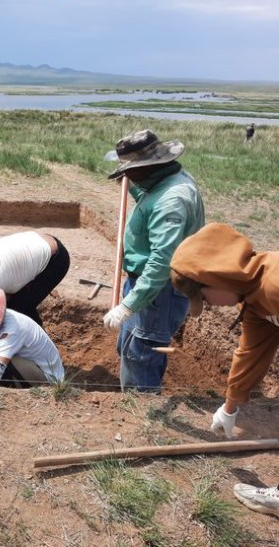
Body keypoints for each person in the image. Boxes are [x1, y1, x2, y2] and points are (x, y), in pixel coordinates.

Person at [170, 223, 278, 518]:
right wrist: (229, 407)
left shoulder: (275, 283)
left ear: (216, 280)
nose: (209, 306)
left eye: (204, 298)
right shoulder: (256, 300)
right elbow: (250, 354)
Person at [102, 129, 205, 392]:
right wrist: (137, 190)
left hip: (160, 292)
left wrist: (128, 305)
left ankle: (142, 412)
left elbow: (161, 261)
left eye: (130, 171)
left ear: (147, 167)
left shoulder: (172, 201)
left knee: (141, 355)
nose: (126, 175)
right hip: (146, 285)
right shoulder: (165, 182)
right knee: (128, 346)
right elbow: (152, 201)